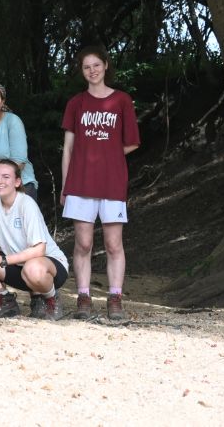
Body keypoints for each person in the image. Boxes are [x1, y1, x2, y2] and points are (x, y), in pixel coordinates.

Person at [61, 45, 140, 321]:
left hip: (111, 182)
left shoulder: (121, 100)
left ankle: (115, 297)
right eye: (86, 67)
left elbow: (130, 142)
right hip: (80, 182)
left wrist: (106, 153)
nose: (92, 70)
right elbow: (68, 148)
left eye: (96, 65)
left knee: (113, 243)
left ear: (106, 65)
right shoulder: (76, 103)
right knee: (83, 243)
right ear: (81, 71)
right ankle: (83, 296)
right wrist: (64, 185)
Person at [0, 160, 69, 320]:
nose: (0, 182)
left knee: (32, 268)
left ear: (17, 182)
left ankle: (50, 299)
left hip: (48, 266)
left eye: (6, 177)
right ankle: (4, 299)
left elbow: (39, 250)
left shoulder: (26, 204)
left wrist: (3, 260)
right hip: (15, 266)